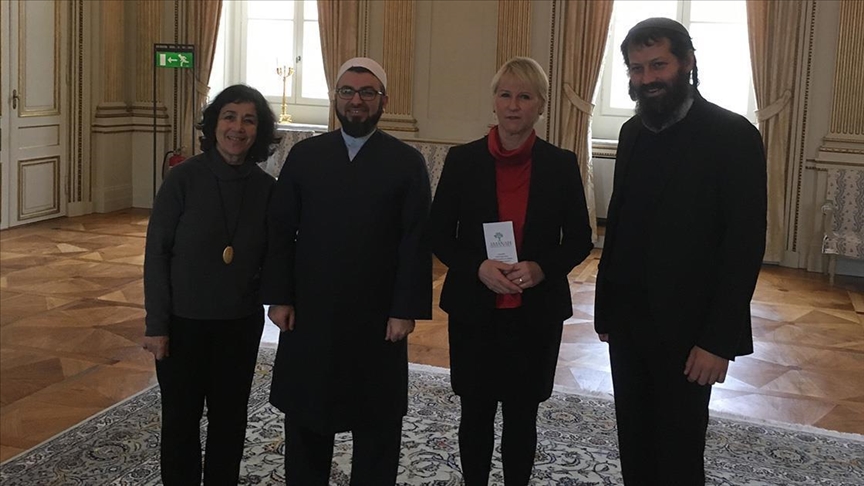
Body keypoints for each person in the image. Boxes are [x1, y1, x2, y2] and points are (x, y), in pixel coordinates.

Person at [594, 18, 767, 485]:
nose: (647, 78)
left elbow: (744, 245)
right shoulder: (632, 132)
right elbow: (620, 227)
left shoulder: (732, 136)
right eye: (636, 69)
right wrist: (606, 311)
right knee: (634, 442)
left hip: (691, 331)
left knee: (679, 451)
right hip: (628, 322)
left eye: (658, 65)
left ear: (687, 63)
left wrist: (718, 341)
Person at [262, 57, 432, 486]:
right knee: (308, 416)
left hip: (378, 316)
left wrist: (404, 309)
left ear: (384, 100)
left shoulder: (406, 162)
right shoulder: (306, 156)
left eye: (367, 92)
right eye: (348, 92)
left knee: (377, 421)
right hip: (311, 311)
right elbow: (280, 230)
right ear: (335, 98)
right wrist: (279, 297)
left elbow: (415, 241)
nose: (357, 100)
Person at [428, 57, 593, 485]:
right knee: (475, 413)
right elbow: (438, 234)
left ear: (541, 106)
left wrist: (542, 268)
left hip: (534, 314)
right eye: (505, 95)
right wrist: (477, 266)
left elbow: (580, 238)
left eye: (525, 96)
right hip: (475, 310)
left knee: (522, 416)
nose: (514, 105)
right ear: (494, 102)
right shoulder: (463, 160)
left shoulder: (561, 164)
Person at [143, 84, 277, 485]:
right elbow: (157, 255)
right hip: (183, 325)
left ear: (259, 131)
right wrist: (157, 325)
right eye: (229, 117)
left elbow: (276, 255)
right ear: (214, 124)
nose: (238, 128)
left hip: (240, 324)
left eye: (249, 120)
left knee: (230, 422)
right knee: (180, 422)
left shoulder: (267, 189)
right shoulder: (182, 179)